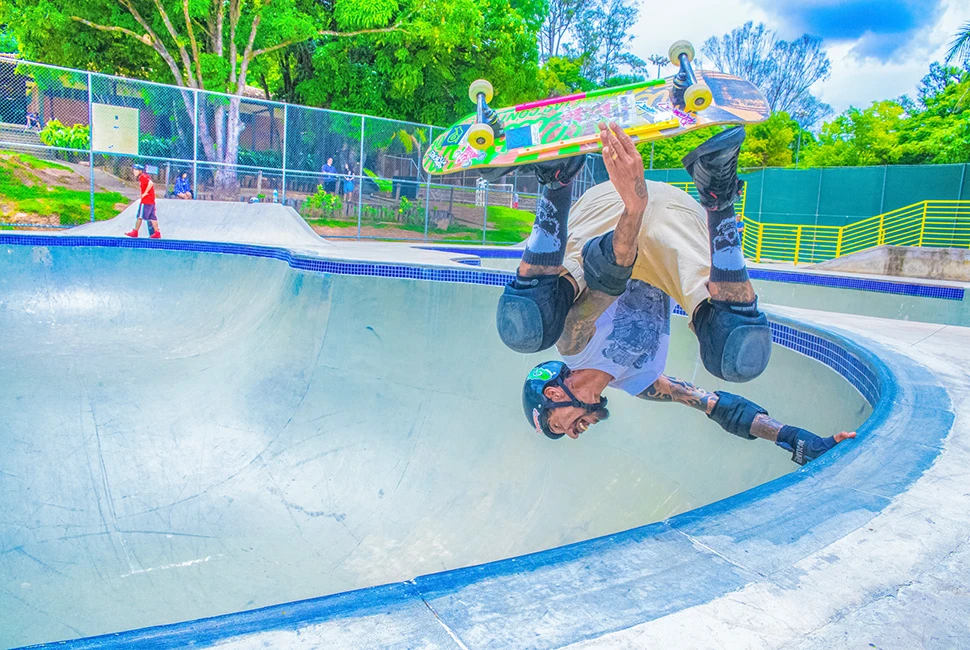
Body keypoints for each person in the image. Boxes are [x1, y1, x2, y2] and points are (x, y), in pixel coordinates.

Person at [496, 124, 854, 464]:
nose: (572, 435)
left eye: (557, 424)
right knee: (737, 352)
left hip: (608, 208)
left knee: (527, 325)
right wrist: (796, 439)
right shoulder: (642, 382)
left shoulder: (573, 345)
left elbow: (611, 272)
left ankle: (556, 180)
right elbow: (714, 405)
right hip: (675, 219)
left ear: (554, 394)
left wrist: (634, 203)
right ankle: (718, 191)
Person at [125, 163, 161, 239]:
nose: (134, 171)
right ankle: (157, 233)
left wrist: (145, 192)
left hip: (146, 201)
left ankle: (135, 232)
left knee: (139, 217)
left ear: (140, 171)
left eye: (136, 170)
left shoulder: (142, 177)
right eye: (134, 170)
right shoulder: (144, 176)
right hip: (151, 201)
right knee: (153, 217)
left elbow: (150, 183)